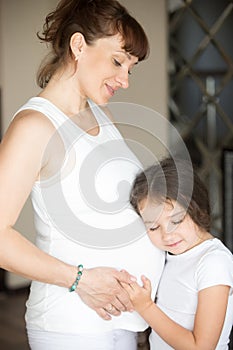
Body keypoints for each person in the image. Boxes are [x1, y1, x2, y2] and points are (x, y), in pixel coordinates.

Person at [0, 0, 165, 349]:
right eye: (118, 61)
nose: (125, 80)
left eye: (131, 68)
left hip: (123, 323)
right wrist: (80, 280)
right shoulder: (35, 126)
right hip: (71, 326)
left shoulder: (100, 117)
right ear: (78, 46)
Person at [123, 157, 233, 349]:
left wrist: (146, 307)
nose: (167, 234)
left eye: (176, 221)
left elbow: (202, 347)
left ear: (196, 207)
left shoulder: (214, 261)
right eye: (154, 227)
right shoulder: (171, 256)